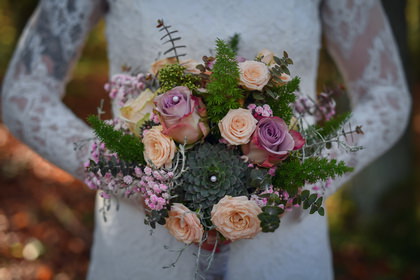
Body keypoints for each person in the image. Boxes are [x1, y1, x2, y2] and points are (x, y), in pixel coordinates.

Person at [1, 0, 411, 279]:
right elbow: (23, 93)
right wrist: (128, 176)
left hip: (283, 237)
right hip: (140, 238)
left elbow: (387, 95)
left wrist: (301, 178)